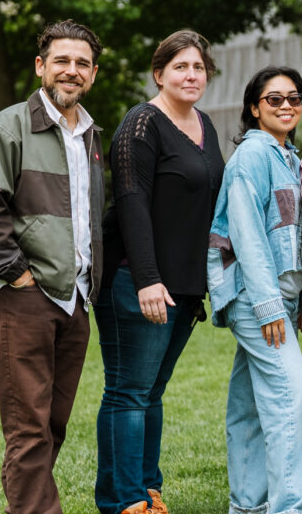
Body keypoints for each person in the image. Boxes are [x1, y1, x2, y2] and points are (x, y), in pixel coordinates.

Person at [0, 19, 104, 514]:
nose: (71, 70)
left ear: (93, 73)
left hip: (75, 300)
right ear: (41, 66)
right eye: (61, 61)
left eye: (82, 63)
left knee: (52, 424)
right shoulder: (8, 128)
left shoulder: (91, 135)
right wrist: (17, 276)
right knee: (27, 426)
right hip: (24, 298)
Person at [94, 30, 224, 514]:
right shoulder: (140, 125)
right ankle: (124, 500)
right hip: (136, 280)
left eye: (198, 68)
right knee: (129, 392)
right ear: (159, 74)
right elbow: (131, 205)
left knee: (151, 392)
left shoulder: (204, 125)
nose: (191, 76)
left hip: (184, 287)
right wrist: (148, 278)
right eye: (181, 67)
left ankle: (147, 489)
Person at [208, 66, 302, 514]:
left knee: (251, 407)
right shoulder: (252, 157)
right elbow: (248, 236)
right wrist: (271, 305)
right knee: (293, 403)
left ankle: (248, 506)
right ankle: (290, 508)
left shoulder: (289, 157)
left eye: (294, 98)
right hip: (258, 300)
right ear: (254, 108)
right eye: (274, 99)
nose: (286, 105)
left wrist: (301, 299)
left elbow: (297, 237)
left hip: (282, 300)